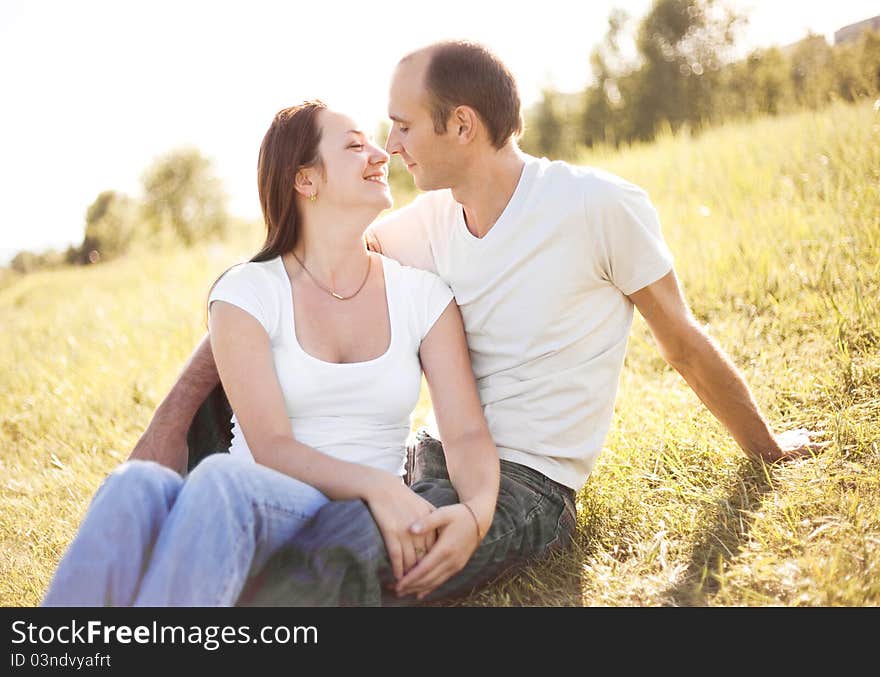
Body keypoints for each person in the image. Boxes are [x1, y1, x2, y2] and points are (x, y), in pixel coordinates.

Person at [129, 40, 825, 606]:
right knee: (261, 372)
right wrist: (167, 422)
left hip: (525, 487)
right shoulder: (428, 223)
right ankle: (170, 529)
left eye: (403, 126)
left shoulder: (597, 208)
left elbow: (683, 345)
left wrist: (765, 446)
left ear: (460, 125)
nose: (390, 146)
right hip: (426, 459)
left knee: (333, 560)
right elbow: (282, 285)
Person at [41, 100, 499, 606]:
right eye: (354, 145)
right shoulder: (246, 291)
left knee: (217, 482)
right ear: (306, 181)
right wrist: (379, 485)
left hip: (337, 518)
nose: (380, 153)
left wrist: (477, 513)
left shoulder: (423, 295)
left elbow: (466, 432)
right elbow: (273, 447)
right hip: (263, 498)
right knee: (134, 486)